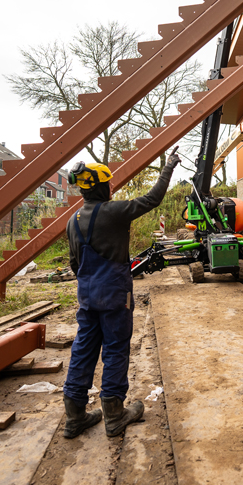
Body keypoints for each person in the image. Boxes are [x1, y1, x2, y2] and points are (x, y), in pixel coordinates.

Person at [62, 149, 181, 439]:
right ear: (101, 186)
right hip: (114, 294)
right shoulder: (113, 212)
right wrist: (168, 167)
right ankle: (114, 414)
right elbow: (152, 199)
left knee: (83, 349)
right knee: (115, 348)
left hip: (87, 296)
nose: (111, 187)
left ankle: (74, 416)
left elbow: (74, 264)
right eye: (109, 183)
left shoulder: (72, 220)